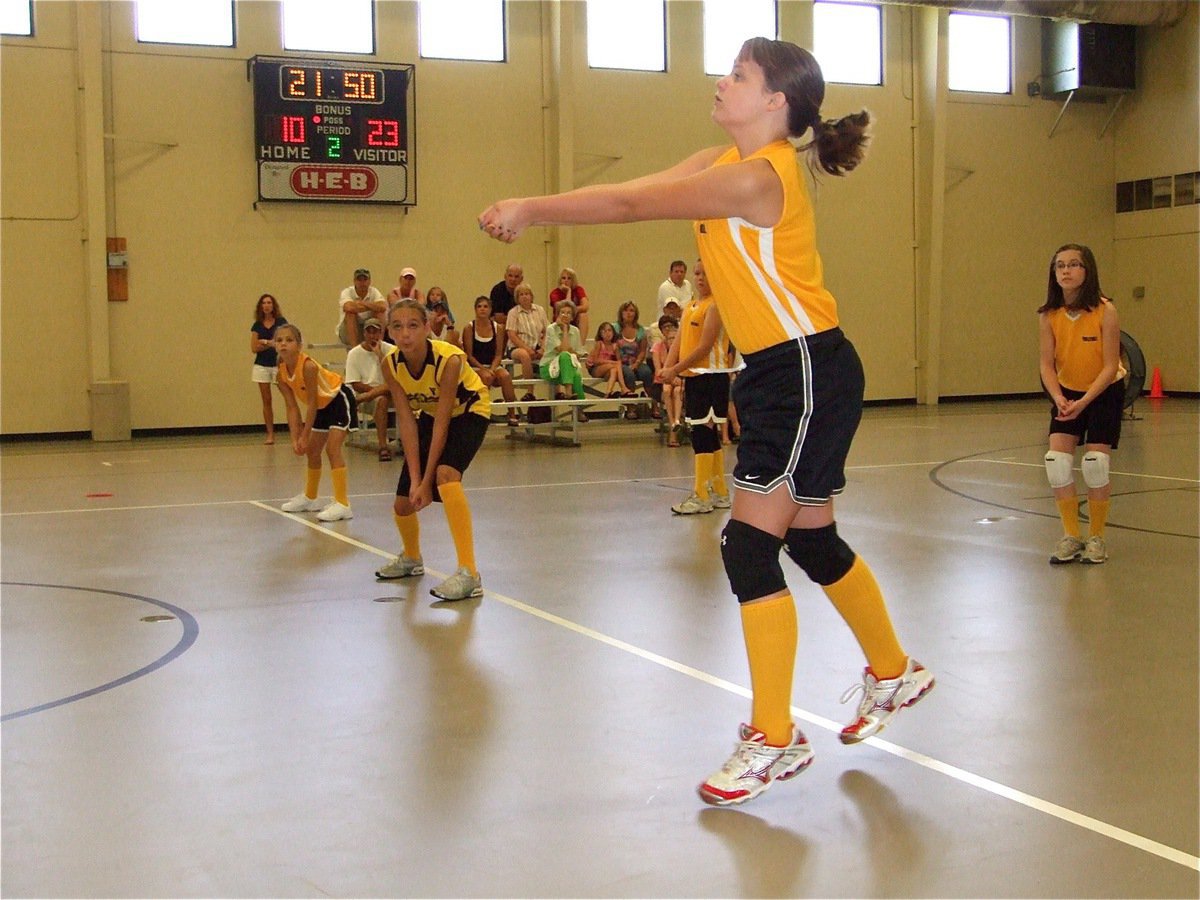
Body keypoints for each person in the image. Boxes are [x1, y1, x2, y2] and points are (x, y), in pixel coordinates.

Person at [479, 36, 934, 807]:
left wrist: (532, 208)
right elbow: (654, 206)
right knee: (812, 540)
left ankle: (774, 737)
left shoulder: (760, 179)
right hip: (776, 371)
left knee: (749, 548)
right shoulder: (716, 162)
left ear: (775, 102)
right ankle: (894, 672)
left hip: (806, 372)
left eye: (738, 76)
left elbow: (625, 206)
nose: (720, 84)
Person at [376, 300, 491, 601]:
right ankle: (412, 558)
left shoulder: (449, 360)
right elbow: (406, 421)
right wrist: (415, 480)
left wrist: (427, 482)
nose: (405, 334)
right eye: (397, 327)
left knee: (446, 475)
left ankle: (469, 573)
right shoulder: (390, 364)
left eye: (413, 325)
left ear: (427, 328)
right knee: (403, 504)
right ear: (389, 331)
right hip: (427, 415)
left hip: (469, 410)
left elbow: (443, 422)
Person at [1038, 243, 1123, 565]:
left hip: (1103, 392)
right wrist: (1059, 396)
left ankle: (1097, 537)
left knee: (1095, 466)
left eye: (1074, 265)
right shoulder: (1049, 315)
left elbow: (1110, 365)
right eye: (1060, 265)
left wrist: (1085, 401)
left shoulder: (1105, 311)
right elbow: (1046, 364)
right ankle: (1071, 535)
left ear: (1087, 271)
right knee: (1057, 463)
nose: (1066, 271)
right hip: (1067, 393)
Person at [657, 259, 736, 513]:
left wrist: (676, 370)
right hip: (694, 377)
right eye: (698, 273)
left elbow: (704, 346)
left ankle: (702, 494)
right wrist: (666, 370)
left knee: (703, 433)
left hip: (711, 375)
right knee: (703, 432)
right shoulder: (691, 305)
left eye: (706, 273)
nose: (700, 278)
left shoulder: (716, 306)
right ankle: (720, 492)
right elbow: (680, 340)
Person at [275, 324, 358, 522]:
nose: (284, 344)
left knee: (332, 449)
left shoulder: (309, 367)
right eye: (279, 340)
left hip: (338, 398)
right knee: (312, 451)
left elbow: (311, 403)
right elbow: (292, 407)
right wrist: (295, 438)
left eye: (289, 340)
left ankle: (343, 503)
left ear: (299, 345)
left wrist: (305, 434)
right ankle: (310, 497)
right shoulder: (280, 374)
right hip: (321, 406)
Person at [462, 295, 521, 426]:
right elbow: (469, 355)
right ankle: (483, 413)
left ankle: (511, 413)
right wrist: (484, 369)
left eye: (485, 306)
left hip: (493, 365)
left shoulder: (498, 328)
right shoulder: (469, 328)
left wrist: (493, 368)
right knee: (486, 377)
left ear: (490, 309)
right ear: (475, 309)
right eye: (479, 306)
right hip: (476, 366)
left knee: (505, 376)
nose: (482, 309)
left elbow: (499, 354)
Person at [344, 318, 396, 461]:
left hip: (392, 392)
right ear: (364, 334)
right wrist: (376, 391)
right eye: (369, 332)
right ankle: (383, 446)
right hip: (370, 395)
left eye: (376, 332)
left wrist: (380, 356)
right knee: (381, 399)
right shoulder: (354, 353)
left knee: (394, 391)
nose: (373, 336)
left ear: (381, 333)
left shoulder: (391, 351)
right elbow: (355, 383)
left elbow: (394, 377)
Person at [250, 292, 287, 445]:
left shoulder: (281, 322)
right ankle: (270, 434)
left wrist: (265, 342)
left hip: (279, 365)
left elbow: (283, 343)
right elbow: (254, 347)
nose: (266, 306)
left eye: (269, 303)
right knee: (266, 400)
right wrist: (269, 343)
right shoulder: (257, 325)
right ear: (260, 306)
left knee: (288, 397)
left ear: (273, 306)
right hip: (262, 366)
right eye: (264, 303)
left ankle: (295, 430)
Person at [541, 299, 585, 401]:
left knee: (577, 376)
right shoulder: (551, 329)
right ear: (558, 315)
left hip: (567, 368)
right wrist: (564, 329)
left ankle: (580, 410)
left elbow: (578, 353)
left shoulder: (575, 331)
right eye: (562, 312)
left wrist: (571, 351)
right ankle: (569, 393)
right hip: (549, 366)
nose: (565, 315)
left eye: (569, 313)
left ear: (573, 317)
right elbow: (563, 350)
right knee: (565, 355)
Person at [616, 300, 654, 416]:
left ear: (635, 314)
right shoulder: (615, 328)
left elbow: (643, 351)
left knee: (647, 372)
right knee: (629, 374)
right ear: (621, 313)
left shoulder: (641, 330)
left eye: (631, 310)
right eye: (626, 310)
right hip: (619, 362)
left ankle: (654, 404)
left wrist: (637, 364)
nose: (629, 313)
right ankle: (631, 407)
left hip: (636, 361)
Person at [505, 282, 548, 381]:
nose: (524, 297)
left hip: (537, 346)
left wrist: (543, 348)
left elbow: (547, 331)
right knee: (525, 355)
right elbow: (512, 335)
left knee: (553, 353)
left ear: (531, 296)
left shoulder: (540, 310)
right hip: (517, 347)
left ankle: (557, 391)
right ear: (517, 298)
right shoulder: (513, 312)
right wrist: (527, 349)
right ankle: (530, 391)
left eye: (527, 294)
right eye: (521, 294)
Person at [336, 267, 388, 348]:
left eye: (365, 280)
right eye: (359, 280)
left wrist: (362, 303)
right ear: (354, 281)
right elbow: (349, 308)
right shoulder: (347, 292)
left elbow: (383, 307)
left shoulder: (374, 292)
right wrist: (372, 306)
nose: (362, 283)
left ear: (369, 281)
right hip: (347, 331)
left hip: (368, 329)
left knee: (380, 313)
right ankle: (354, 351)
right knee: (350, 314)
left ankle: (378, 346)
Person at [651, 315, 682, 442]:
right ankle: (672, 426)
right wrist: (670, 378)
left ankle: (676, 421)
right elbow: (658, 371)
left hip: (681, 381)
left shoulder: (683, 348)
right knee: (667, 390)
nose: (672, 340)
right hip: (662, 382)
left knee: (677, 391)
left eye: (675, 338)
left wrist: (678, 378)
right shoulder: (657, 347)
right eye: (665, 327)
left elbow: (686, 369)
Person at [586, 321, 630, 397]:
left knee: (614, 369)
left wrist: (614, 362)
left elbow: (619, 360)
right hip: (596, 368)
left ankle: (608, 392)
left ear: (613, 332)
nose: (607, 333)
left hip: (608, 370)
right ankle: (623, 387)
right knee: (615, 365)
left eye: (609, 330)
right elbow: (596, 361)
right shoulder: (599, 344)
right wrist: (611, 362)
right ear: (600, 334)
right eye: (604, 331)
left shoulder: (614, 346)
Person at [548, 267, 590, 337]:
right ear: (560, 280)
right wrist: (568, 291)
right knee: (565, 315)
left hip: (575, 319)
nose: (566, 280)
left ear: (573, 280)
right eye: (563, 278)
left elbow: (585, 306)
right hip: (560, 319)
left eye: (569, 278)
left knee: (583, 316)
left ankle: (581, 346)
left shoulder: (578, 289)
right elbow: (565, 309)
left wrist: (573, 311)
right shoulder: (554, 293)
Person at [489, 263, 523, 328]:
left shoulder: (524, 291)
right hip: (501, 326)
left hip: (519, 326)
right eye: (510, 276)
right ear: (505, 276)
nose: (513, 279)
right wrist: (520, 318)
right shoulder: (497, 290)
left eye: (516, 277)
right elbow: (499, 318)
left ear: (521, 279)